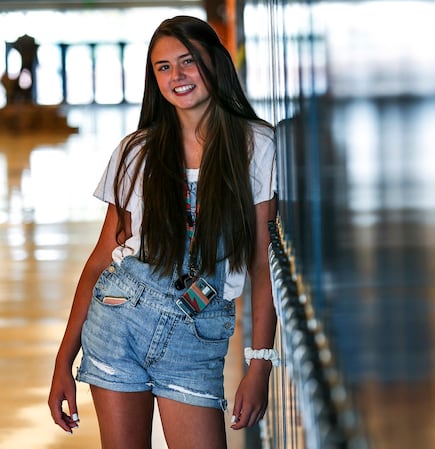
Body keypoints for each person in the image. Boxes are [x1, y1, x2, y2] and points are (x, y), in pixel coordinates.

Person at [47, 15, 279, 449]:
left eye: (188, 61)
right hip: (119, 319)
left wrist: (260, 364)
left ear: (215, 61)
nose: (177, 76)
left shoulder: (256, 146)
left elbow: (261, 264)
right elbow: (102, 258)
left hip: (198, 331)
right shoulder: (136, 152)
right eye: (164, 67)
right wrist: (63, 361)